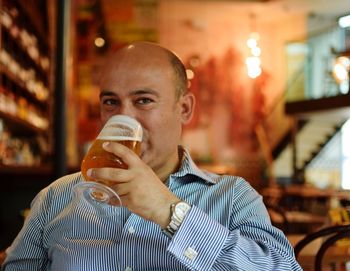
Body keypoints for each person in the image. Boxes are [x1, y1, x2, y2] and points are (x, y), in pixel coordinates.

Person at [2, 41, 302, 270]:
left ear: (183, 109)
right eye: (111, 102)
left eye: (143, 100)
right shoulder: (57, 198)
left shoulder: (233, 196)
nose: (123, 118)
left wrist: (169, 211)